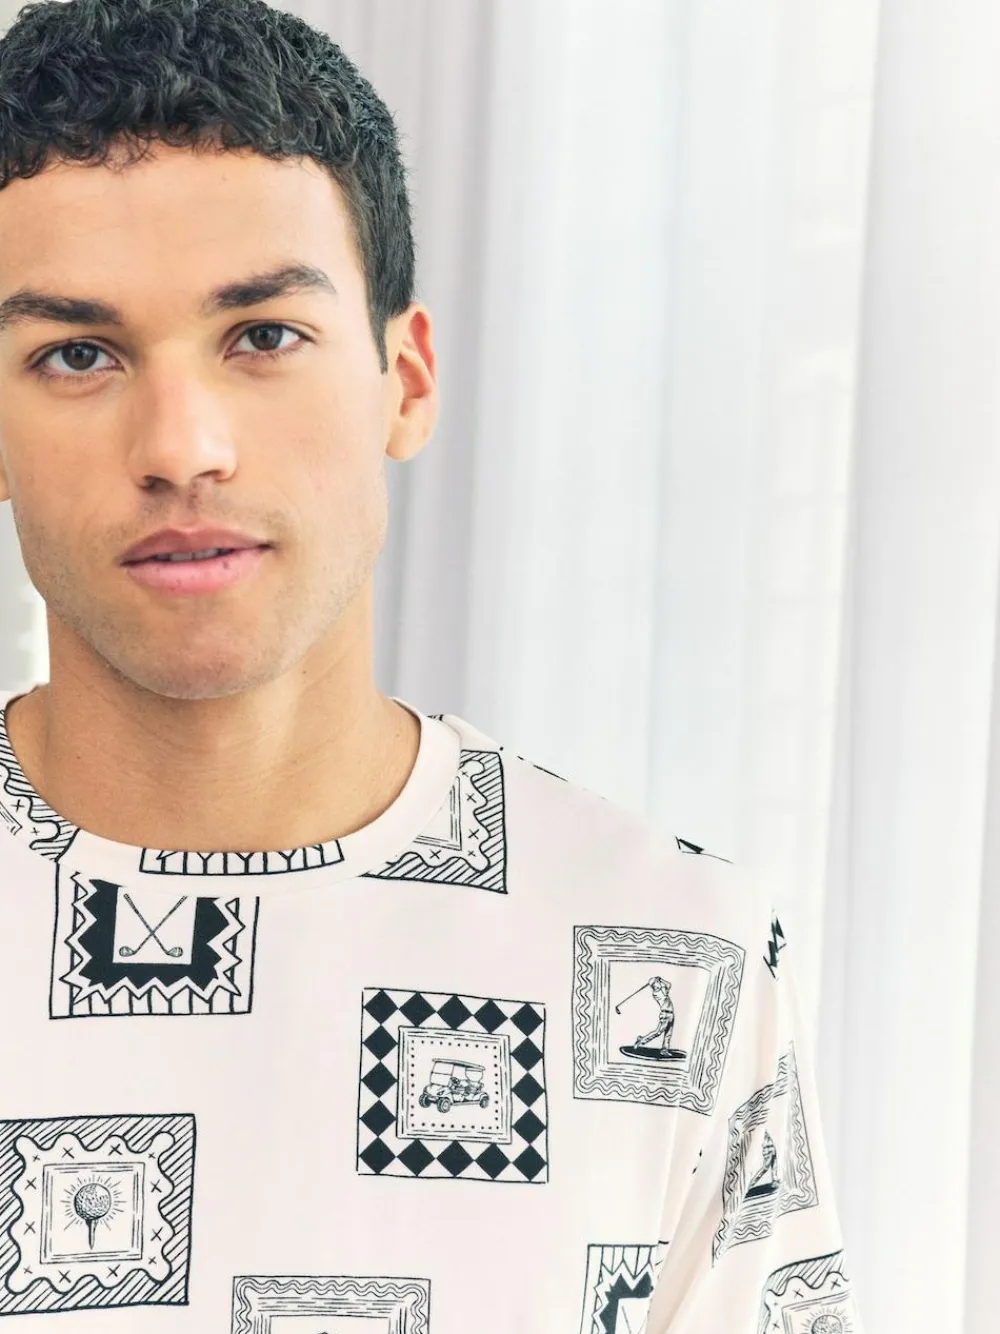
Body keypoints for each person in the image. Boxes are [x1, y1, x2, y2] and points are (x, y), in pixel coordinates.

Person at [0, 1, 864, 1331]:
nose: (181, 447)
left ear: (404, 381)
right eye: (77, 354)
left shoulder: (679, 960)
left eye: (263, 335)